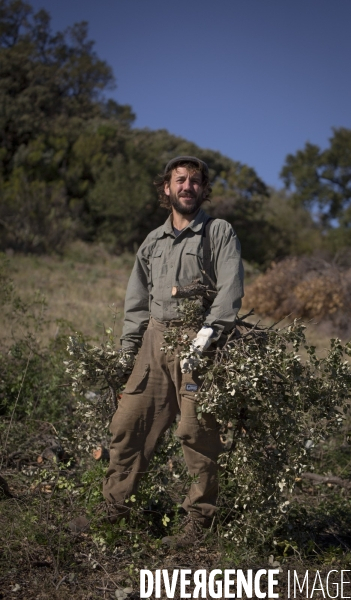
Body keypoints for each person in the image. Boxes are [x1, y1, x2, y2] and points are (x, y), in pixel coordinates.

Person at [102, 156, 244, 547]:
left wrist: (207, 335)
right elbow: (136, 301)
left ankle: (200, 523)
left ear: (203, 190)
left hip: (198, 345)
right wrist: (128, 351)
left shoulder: (218, 232)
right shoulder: (152, 241)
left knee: (195, 434)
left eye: (195, 181)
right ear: (166, 189)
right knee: (128, 426)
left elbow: (230, 289)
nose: (187, 186)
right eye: (179, 180)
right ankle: (115, 511)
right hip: (153, 342)